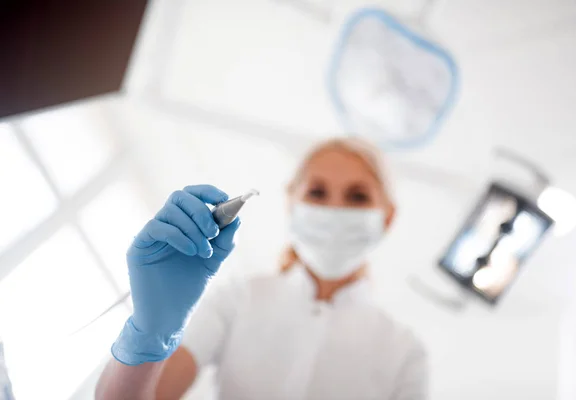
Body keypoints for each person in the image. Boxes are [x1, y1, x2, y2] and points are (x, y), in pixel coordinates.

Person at [96, 137, 428, 400]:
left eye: (357, 197)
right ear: (291, 204)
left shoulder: (404, 353)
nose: (335, 209)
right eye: (317, 192)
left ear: (387, 217)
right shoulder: (238, 299)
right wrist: (149, 331)